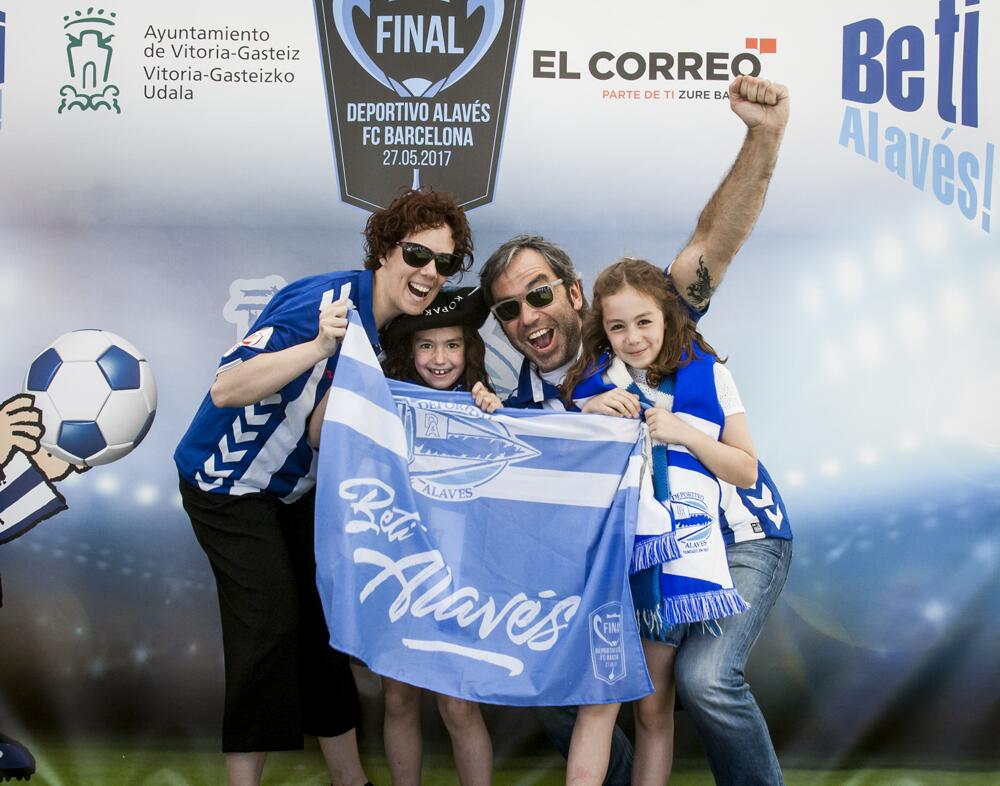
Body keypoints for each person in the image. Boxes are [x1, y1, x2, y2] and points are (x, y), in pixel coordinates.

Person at [480, 75, 793, 786]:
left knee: (706, 682)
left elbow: (714, 243)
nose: (527, 317)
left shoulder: (647, 333)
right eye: (507, 310)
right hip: (633, 559)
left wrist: (763, 136)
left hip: (734, 534)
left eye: (537, 295)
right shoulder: (526, 395)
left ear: (572, 292)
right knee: (567, 689)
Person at [173, 188, 474, 786]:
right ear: (386, 249)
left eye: (444, 263)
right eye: (418, 254)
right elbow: (227, 388)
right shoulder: (322, 304)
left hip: (293, 488)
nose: (430, 272)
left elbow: (317, 430)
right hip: (227, 484)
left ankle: (350, 778)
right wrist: (316, 346)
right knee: (269, 625)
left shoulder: (392, 328)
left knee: (323, 628)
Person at [561, 258, 759, 784]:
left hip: (674, 561)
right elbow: (559, 462)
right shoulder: (587, 383)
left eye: (644, 321)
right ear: (601, 329)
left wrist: (686, 434)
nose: (632, 337)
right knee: (598, 701)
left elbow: (745, 469)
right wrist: (586, 413)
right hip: (607, 562)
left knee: (651, 708)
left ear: (667, 316)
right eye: (617, 326)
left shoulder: (709, 372)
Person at [333, 286, 499, 786]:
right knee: (400, 698)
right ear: (409, 351)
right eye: (427, 346)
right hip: (400, 574)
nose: (440, 358)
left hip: (459, 581)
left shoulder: (484, 406)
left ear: (470, 349)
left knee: (458, 703)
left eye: (452, 345)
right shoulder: (383, 408)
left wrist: (493, 411)